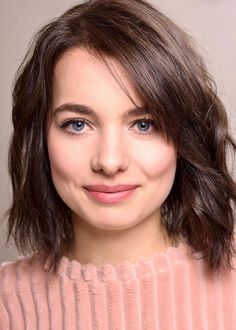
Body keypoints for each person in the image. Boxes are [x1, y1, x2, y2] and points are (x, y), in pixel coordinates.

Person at [0, 0, 235, 328]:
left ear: (185, 138)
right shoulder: (8, 304)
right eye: (77, 124)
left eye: (144, 124)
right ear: (39, 138)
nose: (109, 162)